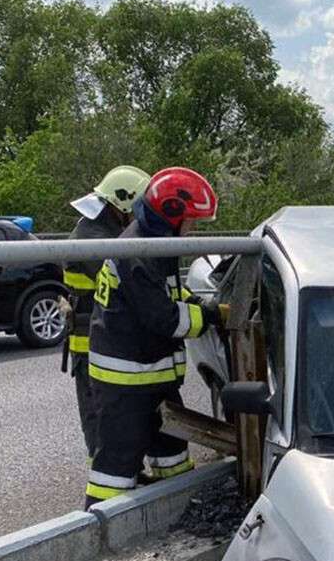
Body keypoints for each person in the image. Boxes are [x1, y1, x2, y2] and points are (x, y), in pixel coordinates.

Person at [84, 167, 226, 508]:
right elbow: (164, 318)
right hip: (126, 380)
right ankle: (97, 526)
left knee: (171, 449)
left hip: (149, 374)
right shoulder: (138, 253)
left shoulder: (155, 243)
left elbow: (171, 295)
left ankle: (177, 507)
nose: (192, 230)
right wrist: (211, 316)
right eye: (190, 221)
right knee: (116, 467)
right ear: (170, 216)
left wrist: (197, 303)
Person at [63, 165, 151, 460]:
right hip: (90, 343)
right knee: (101, 425)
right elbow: (126, 282)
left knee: (117, 421)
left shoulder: (106, 229)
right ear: (123, 203)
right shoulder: (93, 238)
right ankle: (106, 494)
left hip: (101, 336)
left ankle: (122, 480)